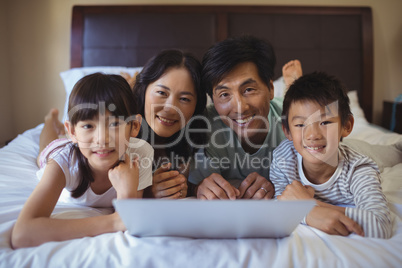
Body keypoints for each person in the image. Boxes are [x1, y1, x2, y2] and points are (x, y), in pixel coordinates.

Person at [11, 73, 153, 248]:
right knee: (45, 149)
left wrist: (128, 192)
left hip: (83, 147)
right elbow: (22, 233)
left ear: (135, 127)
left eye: (114, 124)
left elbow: (130, 219)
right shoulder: (62, 162)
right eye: (88, 125)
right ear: (71, 131)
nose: (102, 139)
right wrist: (114, 222)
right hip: (67, 150)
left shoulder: (140, 154)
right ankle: (50, 121)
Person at [270, 72, 392, 238]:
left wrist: (309, 206)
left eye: (325, 122)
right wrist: (310, 214)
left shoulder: (359, 168)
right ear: (287, 131)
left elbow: (379, 224)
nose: (312, 135)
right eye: (300, 124)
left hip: (361, 150)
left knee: (391, 154)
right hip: (333, 146)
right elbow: (278, 205)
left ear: (347, 126)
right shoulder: (284, 159)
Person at [188, 35, 298, 200]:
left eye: (248, 90)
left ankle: (294, 85)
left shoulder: (295, 124)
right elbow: (193, 184)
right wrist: (198, 188)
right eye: (224, 94)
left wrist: (278, 187)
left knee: (302, 101)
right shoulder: (206, 125)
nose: (240, 108)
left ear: (270, 88)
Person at [132, 49, 207, 198]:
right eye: (162, 93)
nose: (170, 109)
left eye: (184, 99)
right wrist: (146, 192)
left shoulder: (196, 143)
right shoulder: (118, 129)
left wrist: (189, 189)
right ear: (143, 89)